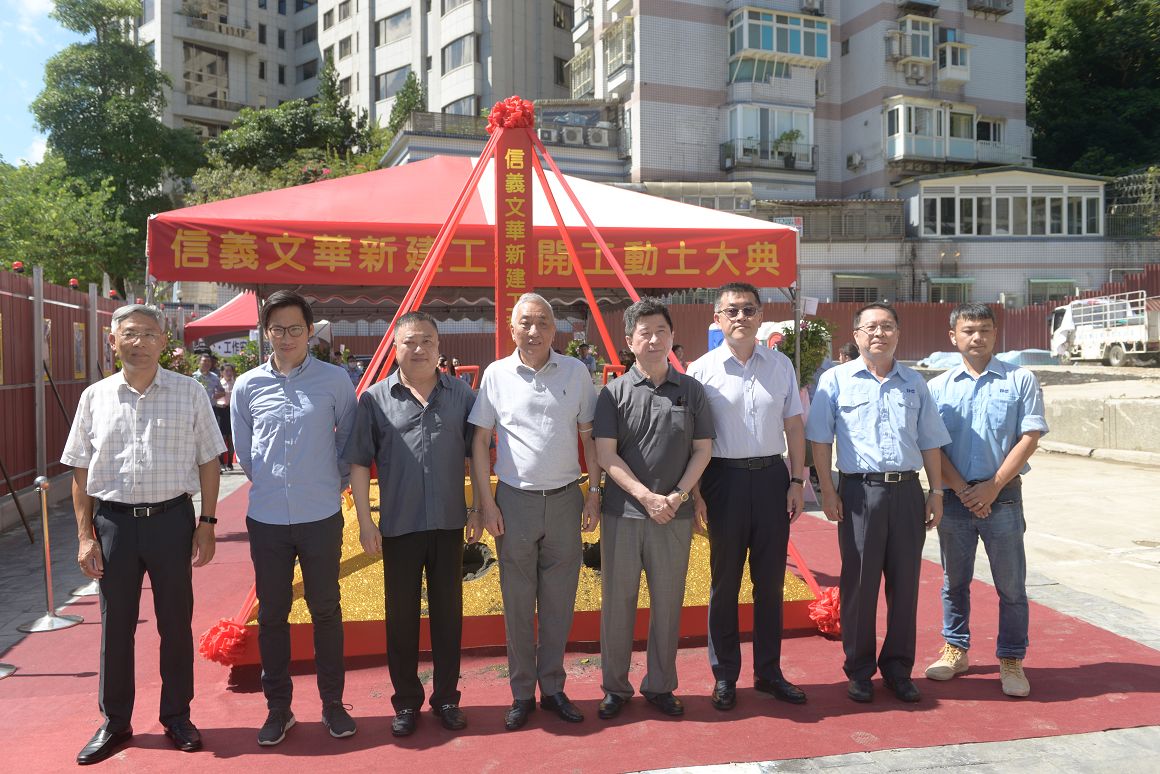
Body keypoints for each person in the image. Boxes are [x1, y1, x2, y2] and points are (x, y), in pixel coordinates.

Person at [62, 303, 224, 765]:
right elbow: (79, 470)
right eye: (130, 334)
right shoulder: (95, 397)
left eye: (149, 334)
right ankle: (115, 721)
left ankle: (177, 715)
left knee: (175, 623)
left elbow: (209, 460)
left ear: (163, 342)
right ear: (113, 340)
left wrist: (207, 524)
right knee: (115, 627)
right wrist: (85, 536)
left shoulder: (189, 392)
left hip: (172, 520)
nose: (139, 343)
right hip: (113, 524)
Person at [343, 312, 484, 737]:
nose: (419, 349)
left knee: (448, 616)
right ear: (394, 349)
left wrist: (478, 508)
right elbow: (358, 463)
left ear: (439, 347)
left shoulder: (462, 395)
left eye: (427, 341)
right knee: (401, 618)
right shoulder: (374, 399)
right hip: (399, 526)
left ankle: (446, 699)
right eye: (409, 342)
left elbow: (478, 455)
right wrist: (366, 522)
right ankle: (405, 702)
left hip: (448, 524)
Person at [469, 292, 602, 730]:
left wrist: (594, 493)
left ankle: (554, 687)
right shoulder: (496, 374)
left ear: (554, 328)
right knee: (518, 603)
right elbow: (480, 442)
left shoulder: (576, 372)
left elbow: (590, 438)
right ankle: (522, 692)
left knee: (559, 602)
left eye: (543, 322)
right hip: (515, 503)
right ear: (511, 329)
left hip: (565, 499)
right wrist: (486, 503)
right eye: (525, 322)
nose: (534, 330)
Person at [805, 302, 950, 704]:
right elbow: (820, 439)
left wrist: (936, 492)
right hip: (859, 494)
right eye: (870, 328)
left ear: (898, 334)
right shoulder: (835, 381)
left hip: (907, 492)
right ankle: (859, 670)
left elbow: (930, 441)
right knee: (859, 586)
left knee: (905, 587)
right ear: (856, 336)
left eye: (887, 327)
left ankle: (898, 670)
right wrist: (827, 490)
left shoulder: (915, 383)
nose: (879, 334)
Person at [231, 290, 358, 746]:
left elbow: (348, 442)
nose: (286, 338)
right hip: (267, 518)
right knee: (272, 615)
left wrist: (326, 482)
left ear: (310, 332)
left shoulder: (335, 381)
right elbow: (246, 453)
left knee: (326, 610)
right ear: (266, 333)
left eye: (295, 329)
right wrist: (276, 482)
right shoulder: (246, 386)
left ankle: (333, 704)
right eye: (277, 329)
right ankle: (278, 708)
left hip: (321, 514)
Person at [686, 282, 810, 711]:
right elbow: (693, 439)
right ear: (717, 318)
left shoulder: (780, 365)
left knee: (770, 582)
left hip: (772, 478)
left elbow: (794, 426)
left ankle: (769, 672)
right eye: (732, 310)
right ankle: (724, 675)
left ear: (760, 316)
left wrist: (797, 481)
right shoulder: (700, 370)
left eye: (749, 309)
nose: (741, 317)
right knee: (725, 583)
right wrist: (697, 494)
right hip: (723, 481)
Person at [594, 298, 714, 719]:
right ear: (630, 341)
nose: (654, 339)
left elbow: (703, 450)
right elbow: (606, 455)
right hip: (623, 515)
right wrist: (645, 497)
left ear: (672, 336)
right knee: (618, 604)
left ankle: (661, 685)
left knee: (667, 603)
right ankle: (615, 687)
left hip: (673, 516)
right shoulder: (612, 393)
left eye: (661, 330)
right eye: (644, 332)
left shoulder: (691, 390)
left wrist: (679, 495)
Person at [924, 303, 1048, 697]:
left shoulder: (1020, 379)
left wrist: (993, 486)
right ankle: (955, 649)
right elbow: (932, 445)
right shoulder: (937, 388)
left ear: (996, 333)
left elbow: (1030, 436)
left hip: (1003, 497)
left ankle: (1011, 658)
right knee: (954, 582)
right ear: (953, 336)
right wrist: (963, 490)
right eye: (968, 330)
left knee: (1011, 586)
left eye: (985, 330)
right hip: (955, 499)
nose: (977, 337)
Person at [215, 363, 236, 472]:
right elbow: (213, 397)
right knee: (222, 437)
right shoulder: (219, 383)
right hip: (221, 410)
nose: (228, 373)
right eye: (226, 371)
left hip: (231, 411)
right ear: (222, 372)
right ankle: (221, 462)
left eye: (230, 370)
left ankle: (230, 463)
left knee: (231, 437)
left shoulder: (235, 383)